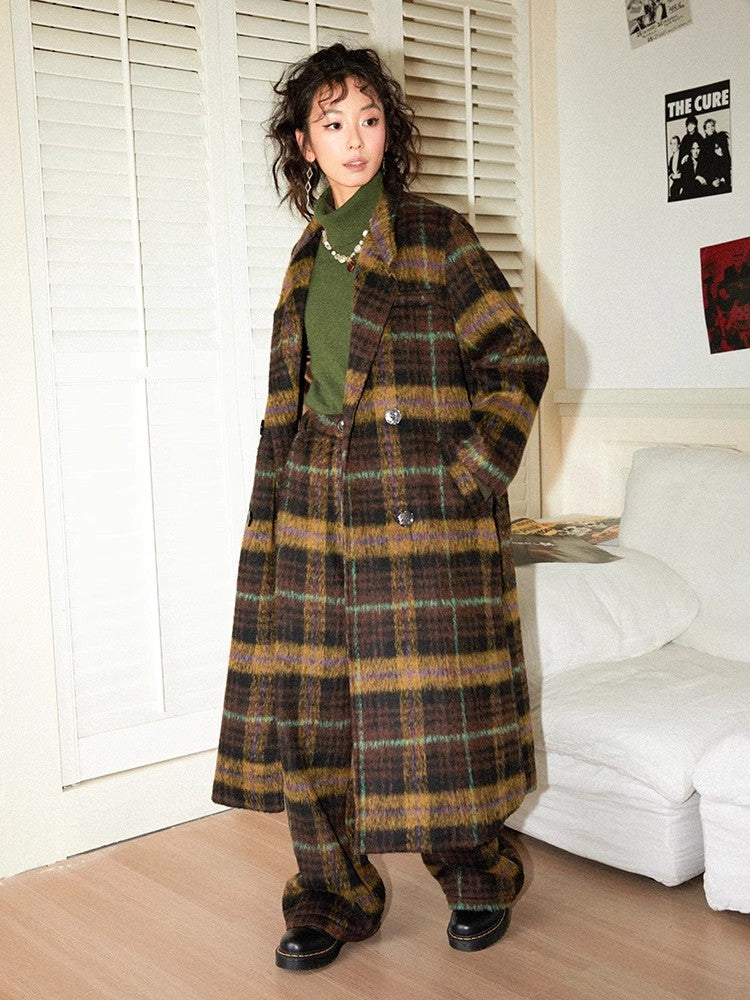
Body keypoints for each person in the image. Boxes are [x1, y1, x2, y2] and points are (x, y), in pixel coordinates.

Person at [212, 43, 549, 972]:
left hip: (417, 506)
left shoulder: (437, 235)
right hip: (313, 505)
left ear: (389, 131)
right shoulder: (303, 260)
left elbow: (516, 359)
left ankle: (477, 874)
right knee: (315, 715)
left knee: (438, 714)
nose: (354, 137)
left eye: (369, 118)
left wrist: (470, 475)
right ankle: (332, 895)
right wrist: (274, 513)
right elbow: (297, 400)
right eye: (333, 122)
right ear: (303, 143)